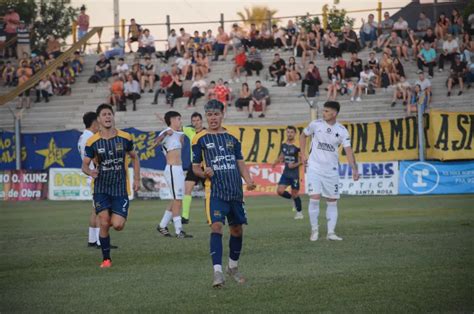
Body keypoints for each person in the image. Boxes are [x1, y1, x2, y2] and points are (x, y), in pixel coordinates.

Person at [191, 99, 256, 288]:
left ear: (222, 114)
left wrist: (248, 180)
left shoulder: (232, 137)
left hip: (235, 191)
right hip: (215, 192)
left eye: (216, 114)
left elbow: (240, 162)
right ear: (206, 116)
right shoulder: (199, 138)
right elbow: (195, 167)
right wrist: (204, 173)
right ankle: (217, 272)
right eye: (209, 115)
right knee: (217, 227)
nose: (213, 118)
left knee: (237, 230)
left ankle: (233, 267)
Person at [82, 104, 140, 268]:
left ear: (113, 117)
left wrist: (137, 179)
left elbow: (135, 158)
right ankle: (106, 259)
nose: (107, 117)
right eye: (104, 115)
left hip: (120, 188)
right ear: (99, 119)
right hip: (101, 188)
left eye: (109, 114)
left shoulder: (125, 137)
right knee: (104, 221)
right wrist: (90, 172)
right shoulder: (92, 141)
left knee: (118, 225)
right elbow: (84, 165)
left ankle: (104, 237)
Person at [300, 101, 360, 242]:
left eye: (326, 111)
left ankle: (331, 233)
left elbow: (349, 151)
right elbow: (303, 136)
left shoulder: (342, 131)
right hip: (314, 167)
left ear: (334, 113)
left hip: (331, 170)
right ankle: (314, 230)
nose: (324, 113)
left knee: (332, 201)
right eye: (324, 110)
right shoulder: (316, 124)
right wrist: (303, 154)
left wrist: (354, 169)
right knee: (314, 198)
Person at [154, 111, 192, 238]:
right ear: (172, 120)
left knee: (176, 198)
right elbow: (154, 144)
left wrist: (180, 137)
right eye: (178, 119)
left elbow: (181, 144)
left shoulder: (179, 133)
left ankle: (162, 225)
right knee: (178, 200)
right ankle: (178, 230)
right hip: (172, 169)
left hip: (179, 169)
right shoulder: (165, 132)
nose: (180, 121)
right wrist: (165, 133)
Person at [78, 112, 101, 248]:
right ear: (94, 123)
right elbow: (95, 158)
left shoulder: (82, 137)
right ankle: (100, 241)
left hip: (90, 175)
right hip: (95, 175)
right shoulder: (91, 138)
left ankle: (92, 240)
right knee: (100, 209)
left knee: (95, 209)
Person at [272, 126, 303, 219]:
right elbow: (282, 156)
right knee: (280, 191)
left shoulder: (298, 146)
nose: (289, 134)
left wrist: (294, 165)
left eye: (291, 132)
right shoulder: (284, 145)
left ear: (295, 134)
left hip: (295, 175)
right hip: (286, 173)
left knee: (295, 194)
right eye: (288, 132)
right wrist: (275, 162)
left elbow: (303, 160)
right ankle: (292, 200)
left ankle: (299, 213)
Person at [181, 112, 206, 224]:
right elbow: (176, 127)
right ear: (192, 122)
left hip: (205, 166)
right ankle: (184, 217)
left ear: (201, 121)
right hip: (194, 165)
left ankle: (211, 215)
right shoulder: (189, 131)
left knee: (209, 192)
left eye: (198, 120)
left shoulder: (207, 133)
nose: (196, 122)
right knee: (187, 189)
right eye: (194, 121)